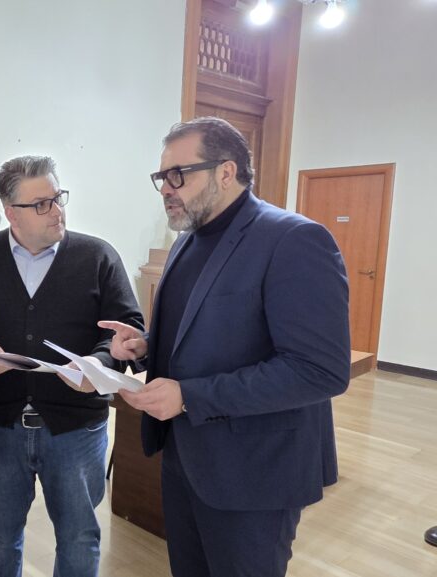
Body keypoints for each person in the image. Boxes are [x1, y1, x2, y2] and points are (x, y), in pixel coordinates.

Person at [102, 116, 350, 577]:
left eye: (178, 175)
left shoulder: (293, 240)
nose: (165, 189)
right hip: (185, 456)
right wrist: (145, 346)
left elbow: (319, 370)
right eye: (161, 177)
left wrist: (190, 396)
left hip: (255, 471)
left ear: (226, 172)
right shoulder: (186, 241)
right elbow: (212, 330)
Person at [0, 155, 144, 577]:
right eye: (41, 204)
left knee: (78, 539)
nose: (56, 211)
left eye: (57, 198)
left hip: (76, 429)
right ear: (10, 213)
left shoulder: (98, 256)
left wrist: (99, 363)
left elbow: (128, 328)